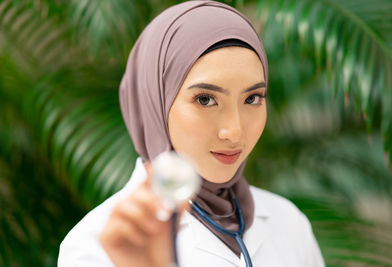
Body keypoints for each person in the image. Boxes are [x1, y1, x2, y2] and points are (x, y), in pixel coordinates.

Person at [58, 1, 325, 266]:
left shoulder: (289, 223)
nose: (233, 132)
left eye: (252, 98)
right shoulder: (93, 247)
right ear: (155, 101)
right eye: (206, 100)